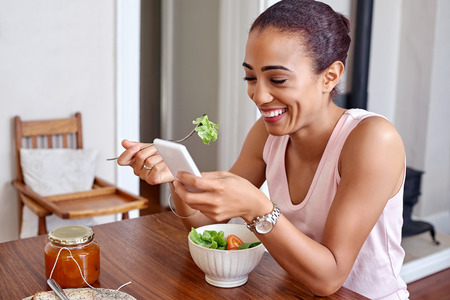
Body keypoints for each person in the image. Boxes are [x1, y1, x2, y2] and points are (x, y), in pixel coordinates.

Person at [117, 0, 409, 298]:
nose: (259, 95)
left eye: (278, 79)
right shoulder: (268, 134)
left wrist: (258, 208)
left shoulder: (373, 140)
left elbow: (329, 278)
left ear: (330, 76)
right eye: (251, 77)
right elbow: (205, 221)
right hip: (295, 289)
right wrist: (178, 180)